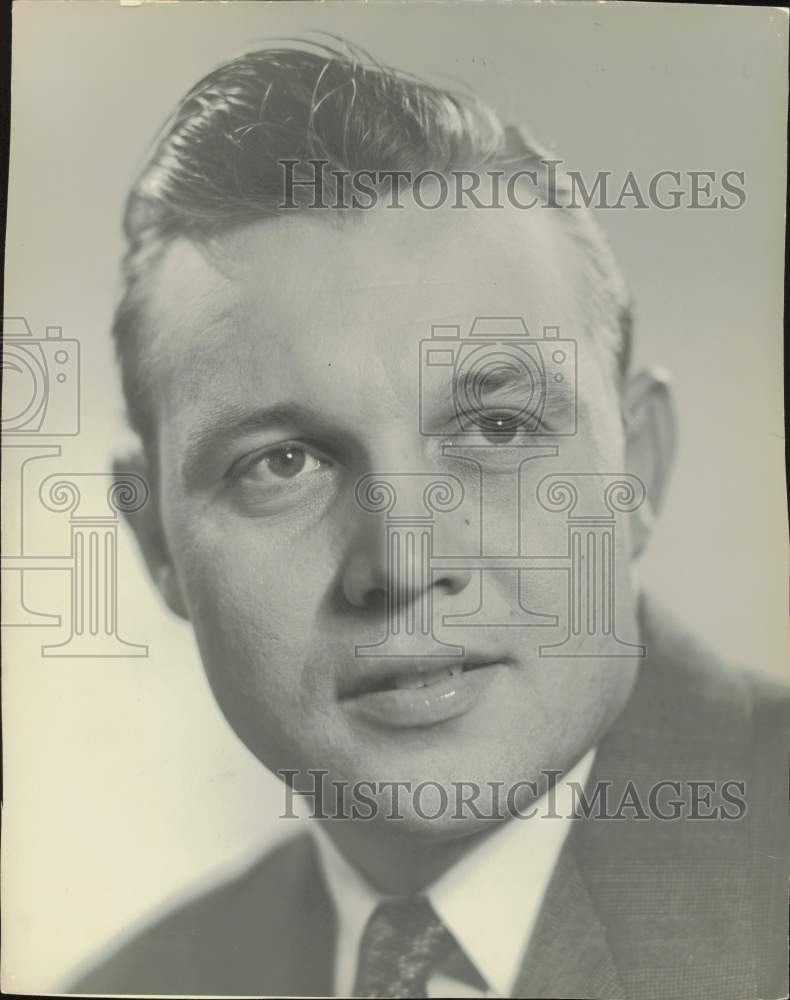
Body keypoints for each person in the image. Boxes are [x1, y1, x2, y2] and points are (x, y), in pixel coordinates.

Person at [70, 40, 787, 1000]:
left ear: (636, 470)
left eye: (495, 427)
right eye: (281, 463)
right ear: (156, 537)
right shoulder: (138, 987)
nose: (402, 564)